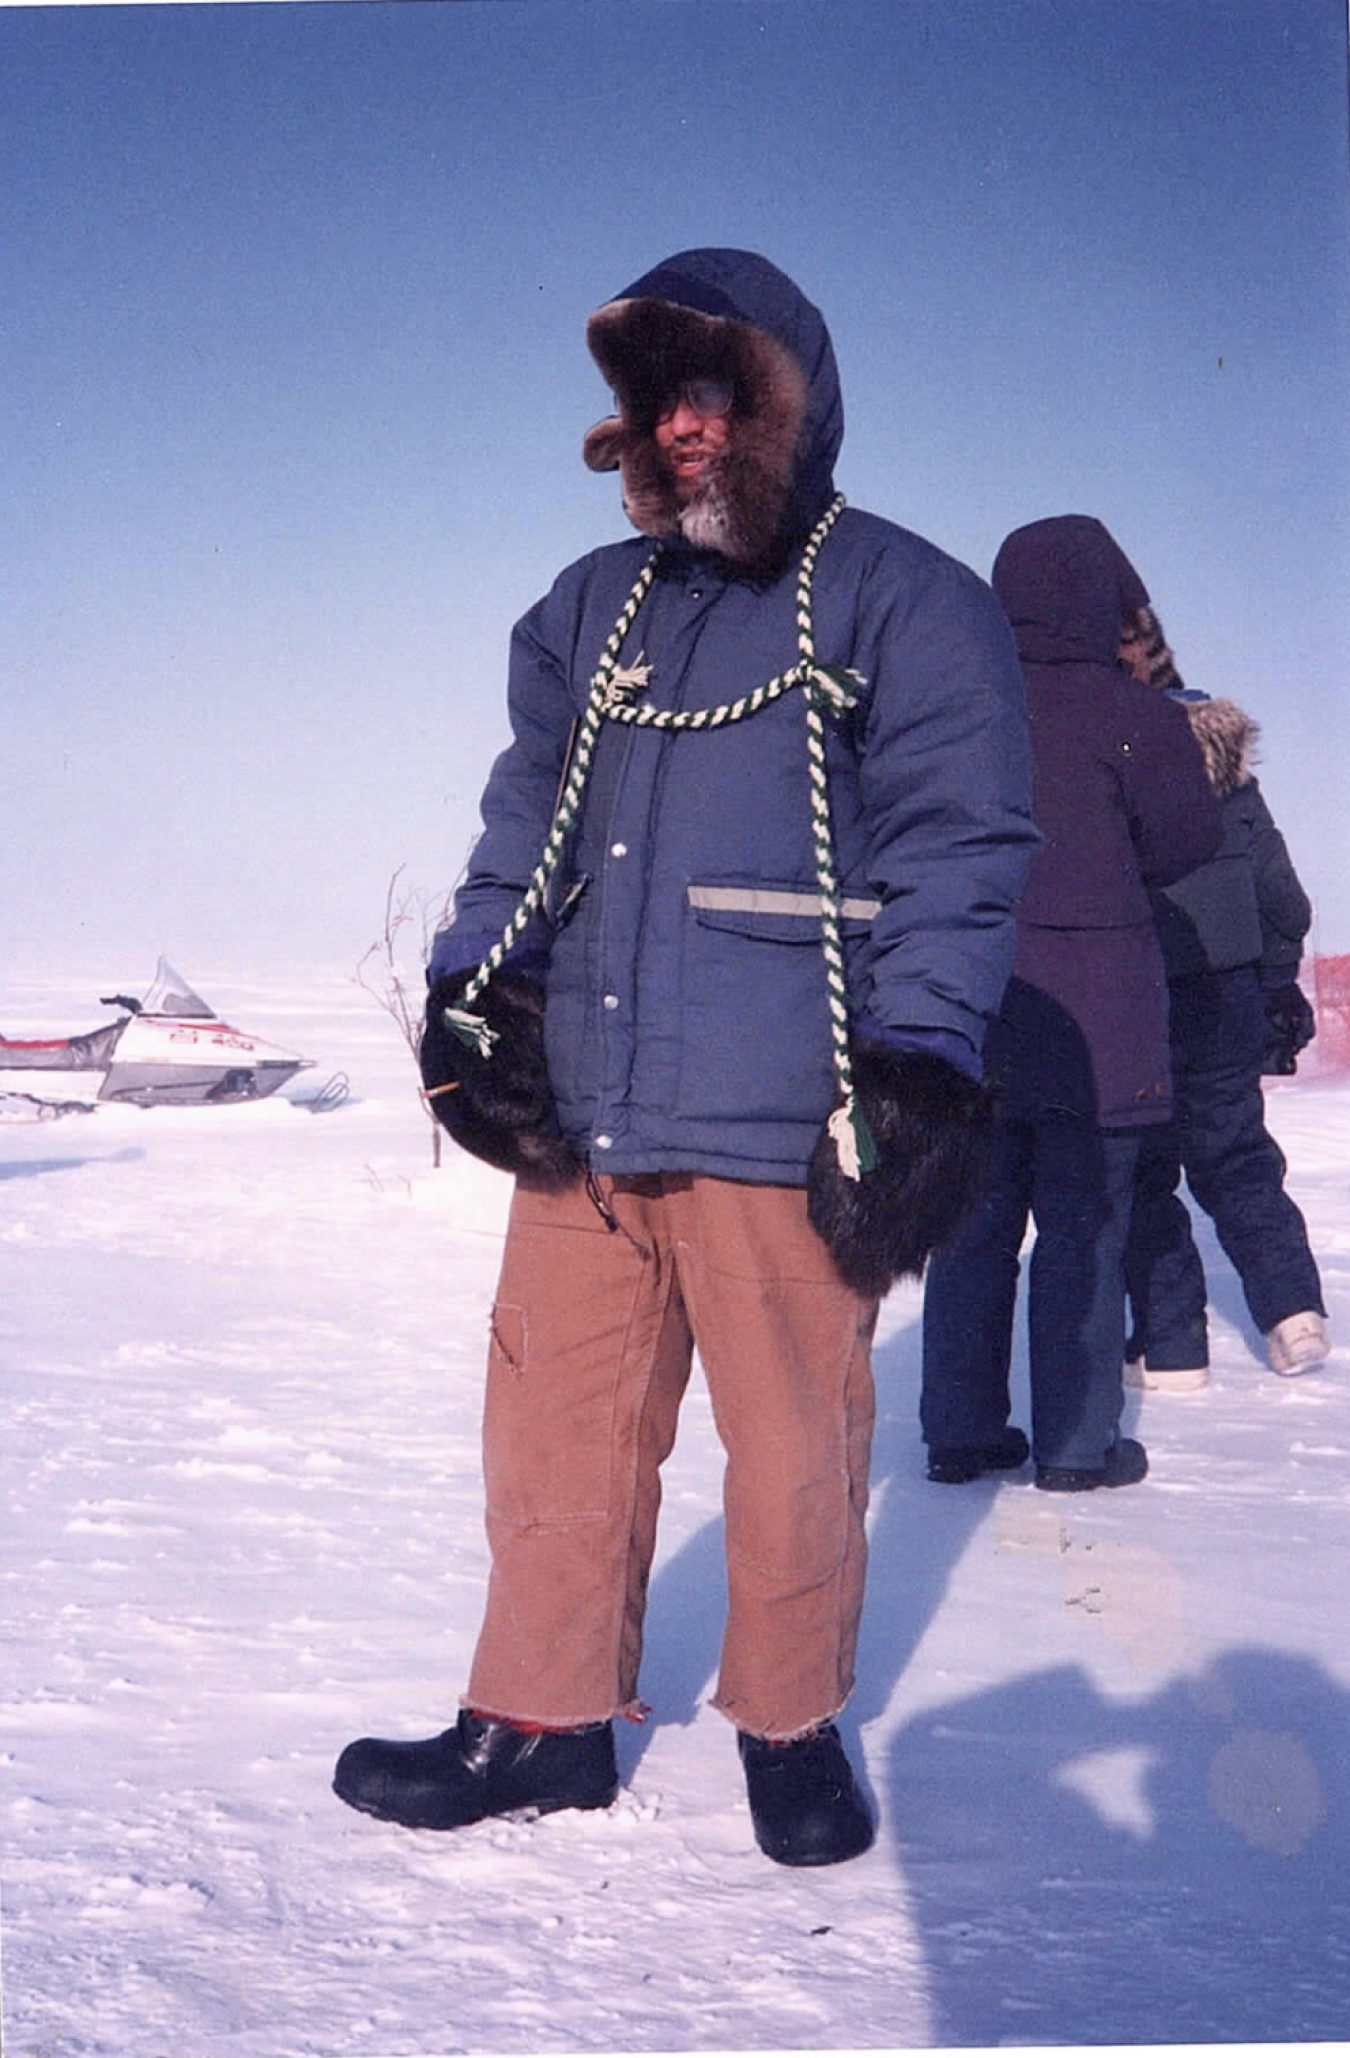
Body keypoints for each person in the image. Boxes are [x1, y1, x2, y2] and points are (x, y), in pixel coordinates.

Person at [333, 248, 1039, 1866]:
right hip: (579, 1113)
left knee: (794, 1440)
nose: (688, 429)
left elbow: (963, 846)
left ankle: (789, 1721)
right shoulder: (589, 607)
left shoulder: (906, 600)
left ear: (787, 404)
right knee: (554, 1425)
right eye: (664, 401)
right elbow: (521, 830)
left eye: (718, 393)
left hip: (783, 1114)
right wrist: (467, 994)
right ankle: (542, 1716)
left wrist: (920, 1066)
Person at [920, 515, 1222, 1493]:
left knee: (972, 1224)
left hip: (978, 1003)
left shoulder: (963, 701)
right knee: (1084, 1229)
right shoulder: (1132, 710)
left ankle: (961, 1432)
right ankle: (1077, 1446)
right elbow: (1189, 841)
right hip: (1101, 1019)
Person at [1121, 612, 1328, 1389]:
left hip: (1136, 988)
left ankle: (1173, 1346)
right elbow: (1282, 895)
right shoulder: (1229, 772)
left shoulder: (1109, 759)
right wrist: (1275, 980)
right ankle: (1292, 1313)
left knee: (1145, 1164)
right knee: (1236, 1151)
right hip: (1230, 989)